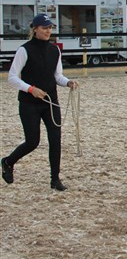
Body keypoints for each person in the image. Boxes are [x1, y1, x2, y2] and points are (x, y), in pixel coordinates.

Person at [1, 14, 79, 191]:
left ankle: (55, 179)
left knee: (55, 139)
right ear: (35, 29)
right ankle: (7, 161)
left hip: (51, 102)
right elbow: (12, 77)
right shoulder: (24, 50)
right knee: (32, 141)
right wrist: (30, 89)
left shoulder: (55, 50)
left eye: (50, 27)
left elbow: (57, 75)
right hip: (29, 104)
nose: (48, 31)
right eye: (44, 28)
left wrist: (68, 82)